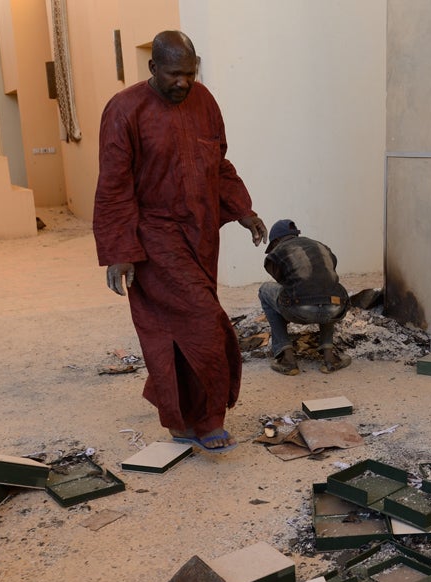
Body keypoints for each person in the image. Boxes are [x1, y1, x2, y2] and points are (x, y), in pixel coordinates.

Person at [93, 30, 267, 454]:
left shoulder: (205, 102)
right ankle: (208, 419)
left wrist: (243, 209)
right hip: (154, 236)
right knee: (206, 322)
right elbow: (113, 185)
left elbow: (218, 161)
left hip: (201, 234)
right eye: (174, 74)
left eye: (189, 73)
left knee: (176, 329)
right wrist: (120, 252)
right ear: (153, 68)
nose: (183, 83)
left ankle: (180, 416)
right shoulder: (124, 110)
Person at [258, 219, 351, 375]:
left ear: (276, 240)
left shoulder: (277, 252)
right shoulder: (322, 246)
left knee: (264, 290)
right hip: (336, 308)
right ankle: (330, 357)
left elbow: (282, 282)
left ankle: (286, 356)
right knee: (327, 289)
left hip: (299, 308)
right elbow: (330, 272)